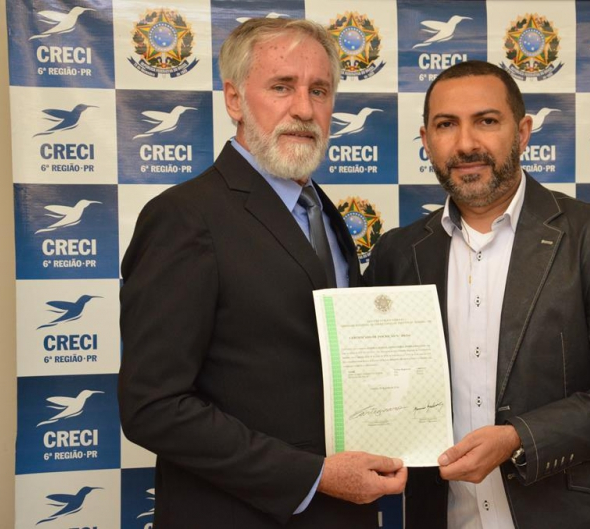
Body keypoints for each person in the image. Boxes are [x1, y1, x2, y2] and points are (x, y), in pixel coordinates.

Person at [118, 18, 406, 529]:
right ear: (234, 100)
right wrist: (313, 476)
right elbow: (153, 406)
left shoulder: (324, 213)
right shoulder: (184, 216)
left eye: (319, 90)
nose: (304, 109)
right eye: (281, 87)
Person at [364, 60, 590, 529]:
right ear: (425, 140)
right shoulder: (397, 253)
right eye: (446, 125)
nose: (466, 144)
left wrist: (518, 438)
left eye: (486, 121)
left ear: (522, 132)